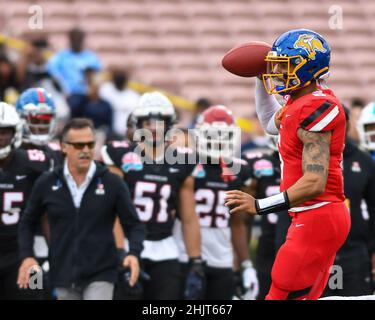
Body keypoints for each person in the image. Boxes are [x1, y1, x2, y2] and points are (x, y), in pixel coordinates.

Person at [224, 29, 350, 300]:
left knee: (280, 292)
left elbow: (314, 182)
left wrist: (259, 205)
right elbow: (271, 123)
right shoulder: (299, 101)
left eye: (286, 66)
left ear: (308, 68)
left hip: (318, 213)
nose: (279, 73)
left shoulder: (316, 108)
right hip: (317, 215)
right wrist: (260, 77)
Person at [18, 118, 145, 300]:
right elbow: (27, 222)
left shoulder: (112, 183)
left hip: (101, 273)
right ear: (64, 147)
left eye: (90, 144)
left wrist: (133, 252)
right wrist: (27, 256)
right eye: (78, 145)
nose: (85, 150)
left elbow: (135, 225)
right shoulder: (46, 182)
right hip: (61, 274)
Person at [101, 91, 203, 300]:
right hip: (129, 245)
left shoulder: (183, 161)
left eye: (160, 122)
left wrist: (196, 261)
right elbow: (113, 211)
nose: (154, 128)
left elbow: (189, 217)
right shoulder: (121, 155)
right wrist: (121, 252)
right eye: (148, 122)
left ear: (169, 125)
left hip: (165, 247)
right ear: (138, 125)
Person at [173, 105, 258, 300]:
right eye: (213, 134)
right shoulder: (186, 163)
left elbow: (237, 223)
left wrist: (245, 265)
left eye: (224, 135)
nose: (218, 140)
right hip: (185, 256)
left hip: (222, 259)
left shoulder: (239, 171)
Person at [322, 107, 375, 297]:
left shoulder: (363, 160)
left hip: (354, 251)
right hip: (317, 252)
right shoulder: (310, 157)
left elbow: (373, 208)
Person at [0, 102, 50, 299]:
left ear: (16, 132)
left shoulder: (34, 163)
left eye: (6, 132)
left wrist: (57, 255)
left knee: (37, 290)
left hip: (22, 254)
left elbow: (47, 213)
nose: (1, 137)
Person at [242, 135, 289, 299]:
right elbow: (243, 218)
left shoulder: (305, 163)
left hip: (295, 238)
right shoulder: (259, 164)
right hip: (268, 241)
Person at [47, 28, 102, 118]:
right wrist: (64, 90)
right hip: (68, 95)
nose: (76, 41)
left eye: (79, 38)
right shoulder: (61, 57)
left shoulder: (92, 57)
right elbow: (53, 75)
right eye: (74, 38)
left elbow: (97, 78)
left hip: (88, 96)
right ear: (70, 39)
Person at [99, 67, 140, 139]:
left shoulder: (134, 96)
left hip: (128, 135)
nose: (119, 80)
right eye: (117, 78)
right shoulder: (105, 90)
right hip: (108, 132)